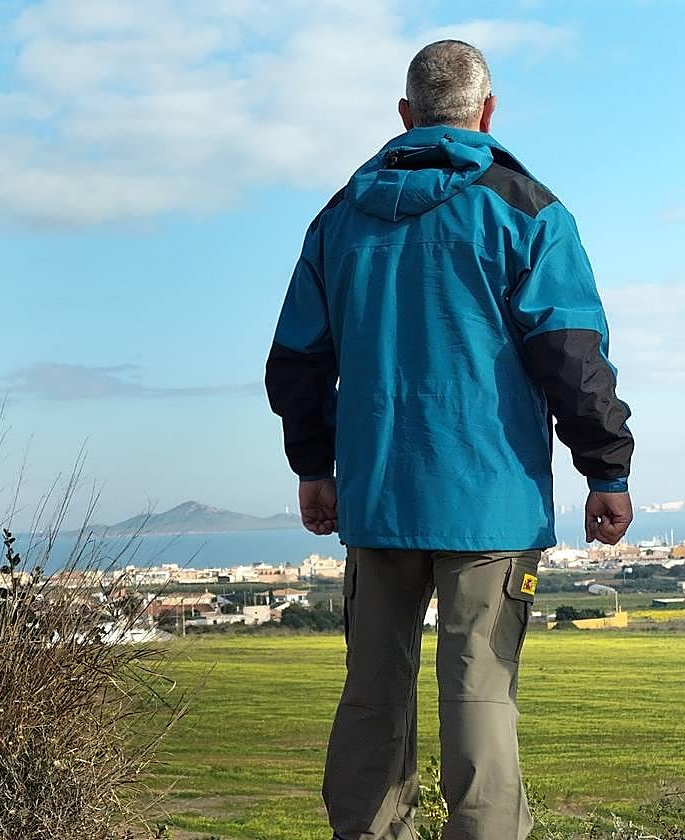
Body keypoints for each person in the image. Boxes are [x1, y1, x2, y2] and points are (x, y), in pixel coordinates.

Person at [264, 40, 634, 840]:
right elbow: (570, 353)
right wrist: (606, 467)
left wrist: (313, 466)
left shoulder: (337, 216)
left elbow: (295, 362)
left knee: (372, 697)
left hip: (378, 498)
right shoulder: (529, 209)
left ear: (404, 116)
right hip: (490, 507)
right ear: (487, 112)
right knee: (478, 698)